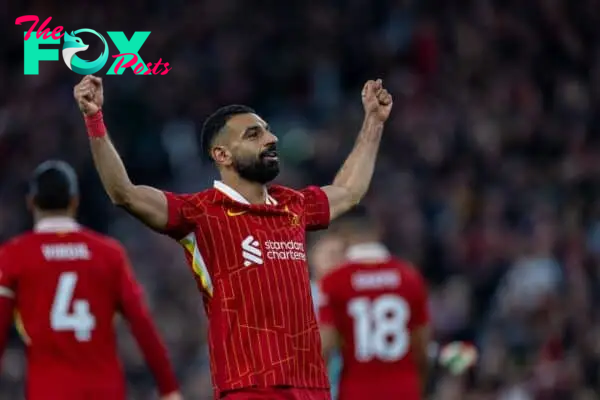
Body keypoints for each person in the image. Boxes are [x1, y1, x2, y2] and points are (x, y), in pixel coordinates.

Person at [73, 74, 393, 400]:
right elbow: (124, 193)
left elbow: (348, 191)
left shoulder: (292, 204)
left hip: (312, 390)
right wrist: (94, 119)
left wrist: (374, 123)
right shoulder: (200, 214)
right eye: (254, 134)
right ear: (222, 155)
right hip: (249, 389)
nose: (271, 138)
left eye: (268, 130)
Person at [0, 160, 182, 400]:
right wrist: (168, 387)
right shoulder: (108, 253)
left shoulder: (14, 256)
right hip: (104, 389)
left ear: (31, 203)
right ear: (75, 201)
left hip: (49, 390)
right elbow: (141, 323)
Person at [317, 205, 430, 400]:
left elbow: (325, 347)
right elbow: (422, 346)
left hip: (358, 390)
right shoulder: (409, 277)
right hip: (404, 389)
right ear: (377, 232)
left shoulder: (334, 282)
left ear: (342, 236)